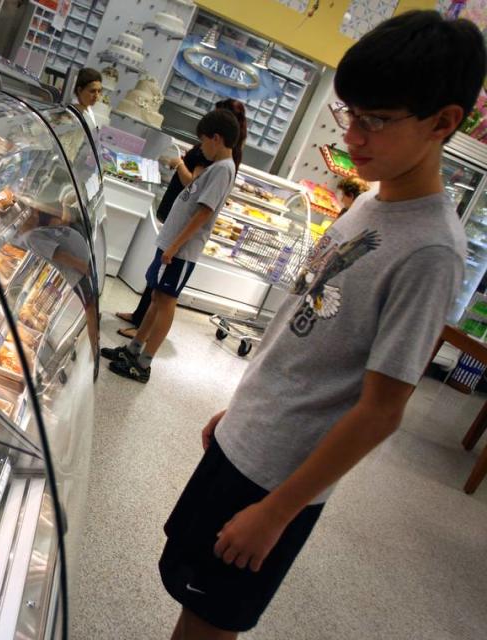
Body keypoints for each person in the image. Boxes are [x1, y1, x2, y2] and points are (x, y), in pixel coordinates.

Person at [156, 11, 483, 640]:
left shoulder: (430, 250)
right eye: (350, 115)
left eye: (376, 121)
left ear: (443, 123)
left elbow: (382, 410)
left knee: (209, 621)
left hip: (277, 480)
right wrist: (245, 409)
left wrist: (277, 512)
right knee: (188, 588)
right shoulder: (369, 200)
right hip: (248, 437)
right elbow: (311, 329)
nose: (354, 137)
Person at [102, 109, 240, 382]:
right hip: (173, 243)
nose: (201, 148)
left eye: (204, 141)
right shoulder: (216, 167)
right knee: (156, 296)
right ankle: (134, 350)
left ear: (217, 138)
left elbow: (203, 213)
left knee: (166, 301)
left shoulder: (224, 169)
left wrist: (175, 246)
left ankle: (143, 363)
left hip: (182, 249)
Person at [71, 67, 103, 133]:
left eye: (99, 91)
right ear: (79, 90)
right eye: (92, 91)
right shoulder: (72, 111)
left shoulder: (88, 109)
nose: (96, 96)